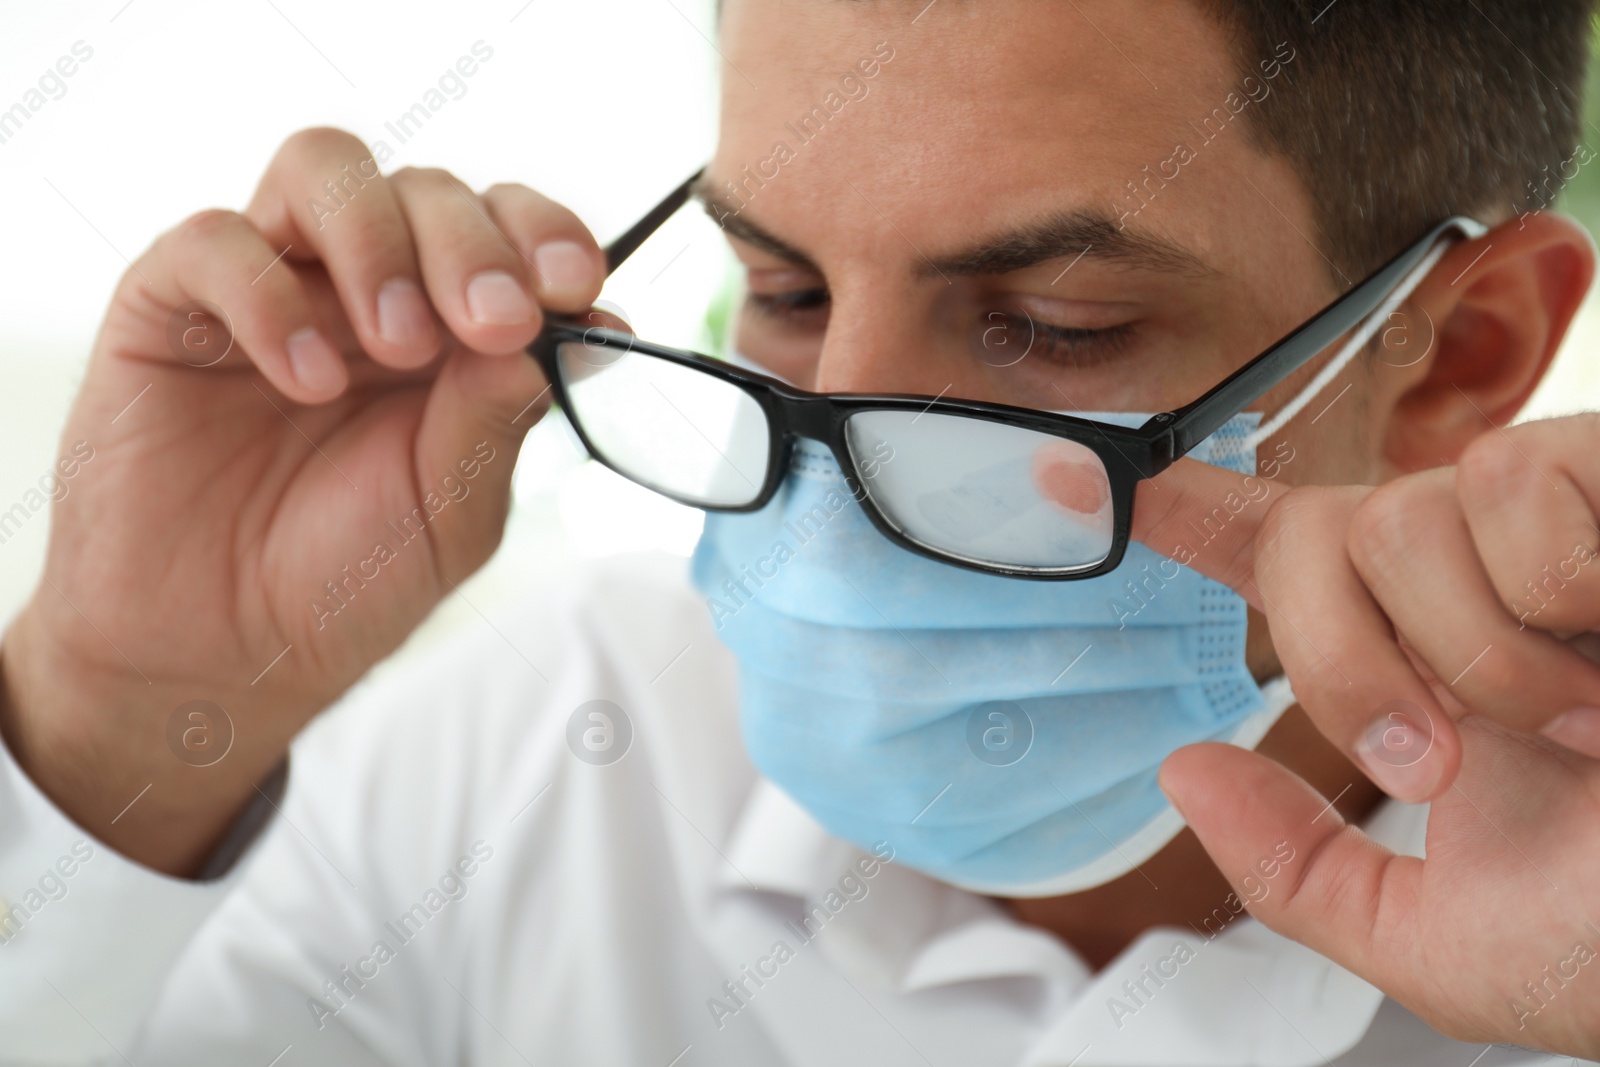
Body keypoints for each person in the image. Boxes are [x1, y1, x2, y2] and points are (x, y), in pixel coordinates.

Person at [3, 0, 1600, 1062]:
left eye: (1048, 325)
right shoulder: (527, 759)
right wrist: (115, 713)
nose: (823, 477)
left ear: (1458, 353)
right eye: (785, 293)